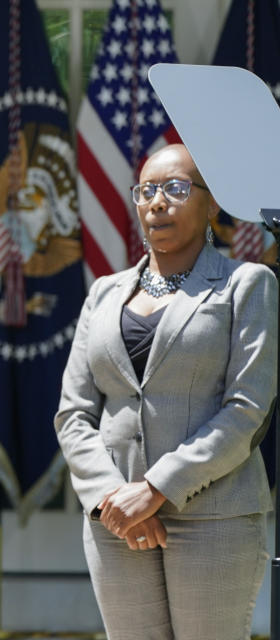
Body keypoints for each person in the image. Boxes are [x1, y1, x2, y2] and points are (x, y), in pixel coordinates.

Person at [55, 143, 276, 639]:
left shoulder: (247, 284)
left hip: (212, 518)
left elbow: (247, 409)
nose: (157, 202)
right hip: (117, 523)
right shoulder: (105, 293)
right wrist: (115, 497)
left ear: (212, 202)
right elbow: (74, 413)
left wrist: (155, 491)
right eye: (147, 191)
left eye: (176, 189)